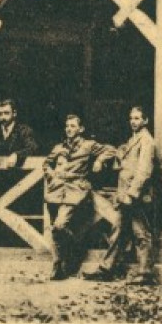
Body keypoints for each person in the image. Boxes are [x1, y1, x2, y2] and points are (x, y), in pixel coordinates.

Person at [88, 105, 161, 283]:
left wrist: (132, 193)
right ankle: (106, 269)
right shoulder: (133, 139)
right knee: (118, 231)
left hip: (136, 196)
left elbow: (144, 170)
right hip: (125, 194)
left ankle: (145, 273)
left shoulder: (147, 141)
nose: (133, 122)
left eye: (137, 118)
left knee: (141, 232)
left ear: (145, 121)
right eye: (131, 118)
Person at [42, 113, 105, 280]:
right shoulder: (58, 148)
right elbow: (46, 163)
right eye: (67, 126)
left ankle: (75, 248)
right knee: (54, 229)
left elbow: (110, 150)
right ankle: (58, 267)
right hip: (55, 191)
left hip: (75, 191)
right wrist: (51, 174)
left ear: (81, 129)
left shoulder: (88, 145)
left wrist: (99, 161)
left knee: (60, 226)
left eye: (73, 126)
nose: (69, 129)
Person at [0, 98, 39, 164]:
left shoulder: (24, 130)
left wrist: (17, 155)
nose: (3, 117)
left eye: (6, 113)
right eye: (0, 114)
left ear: (14, 113)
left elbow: (32, 148)